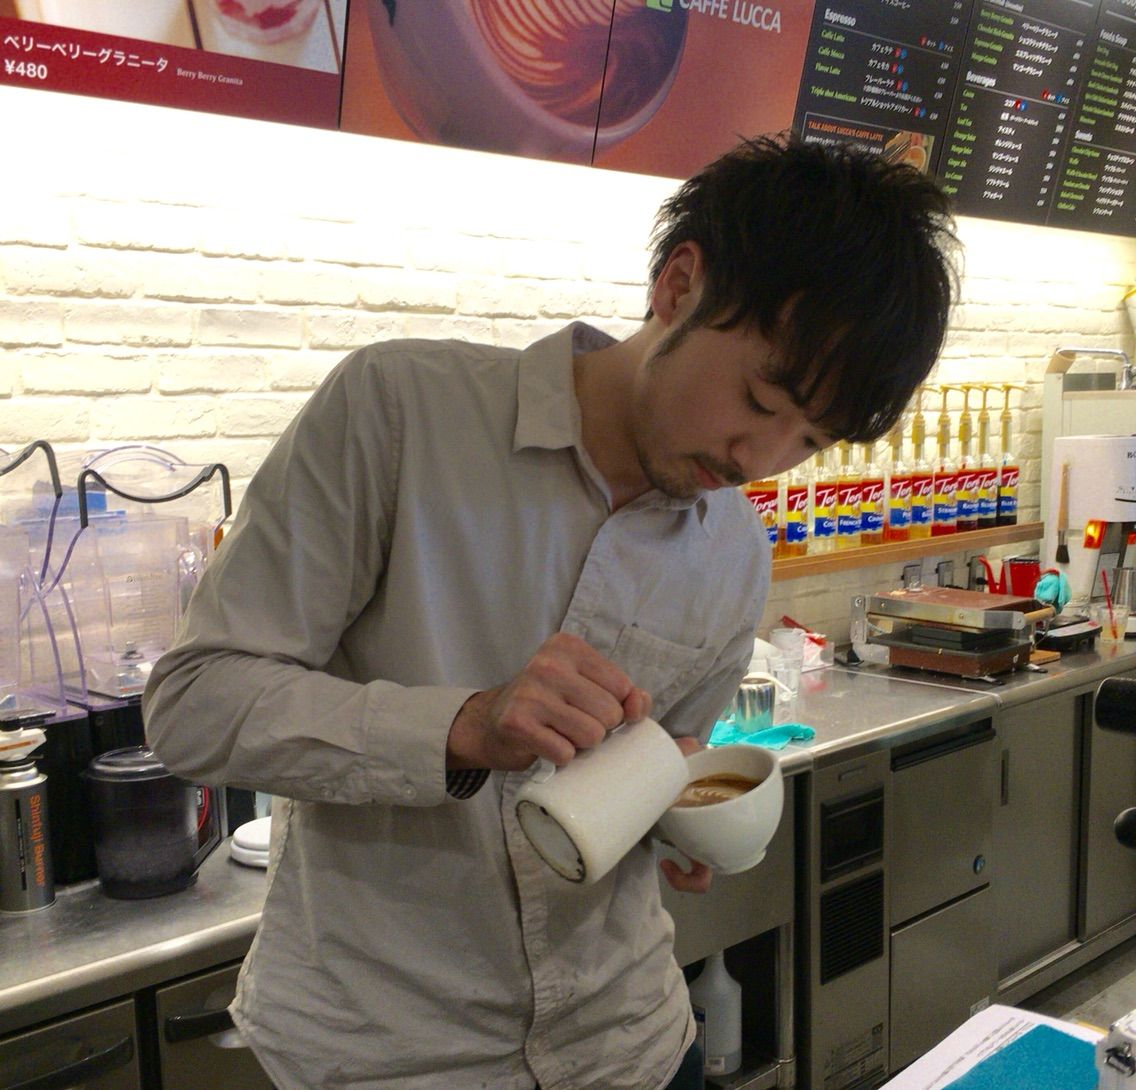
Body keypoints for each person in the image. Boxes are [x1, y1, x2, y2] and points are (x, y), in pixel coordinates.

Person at [143, 133, 958, 1090]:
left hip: (630, 1043)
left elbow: (653, 764)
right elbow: (193, 705)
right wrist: (464, 724)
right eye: (759, 397)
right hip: (391, 1060)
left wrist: (669, 815)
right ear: (679, 286)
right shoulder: (399, 412)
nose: (759, 457)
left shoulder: (733, 547)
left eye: (809, 440)